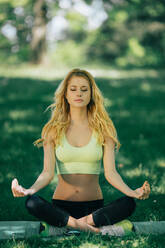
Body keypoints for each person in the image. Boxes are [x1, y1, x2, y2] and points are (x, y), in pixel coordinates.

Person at [11, 68, 150, 235]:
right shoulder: (53, 130)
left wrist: (132, 192)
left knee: (129, 203)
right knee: (31, 202)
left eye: (84, 90)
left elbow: (111, 173)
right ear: (65, 95)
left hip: (93, 210)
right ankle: (97, 231)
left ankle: (66, 227)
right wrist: (28, 190)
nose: (79, 93)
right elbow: (47, 173)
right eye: (73, 89)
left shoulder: (104, 129)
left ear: (91, 94)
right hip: (62, 206)